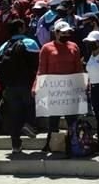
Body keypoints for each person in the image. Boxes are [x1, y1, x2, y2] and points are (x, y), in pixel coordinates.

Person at [35, 20, 84, 155]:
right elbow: (42, 69)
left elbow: (78, 67)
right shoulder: (46, 48)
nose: (66, 35)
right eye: (63, 33)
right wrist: (37, 86)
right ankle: (51, 143)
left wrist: (83, 84)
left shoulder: (74, 46)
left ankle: (72, 144)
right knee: (53, 119)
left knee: (71, 119)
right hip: (54, 89)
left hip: (70, 88)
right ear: (56, 33)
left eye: (68, 32)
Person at [0, 19, 41, 154]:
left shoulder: (3, 46)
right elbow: (37, 64)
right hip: (27, 84)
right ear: (21, 28)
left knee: (14, 114)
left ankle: (16, 145)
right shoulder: (30, 43)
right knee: (30, 106)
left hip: (9, 86)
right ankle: (28, 125)